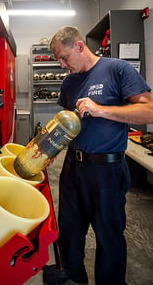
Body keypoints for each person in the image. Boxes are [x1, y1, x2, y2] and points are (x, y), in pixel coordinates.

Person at [43, 26, 153, 285]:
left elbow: (148, 112)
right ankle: (72, 278)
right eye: (58, 60)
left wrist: (102, 110)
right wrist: (48, 149)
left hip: (107, 169)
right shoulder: (69, 82)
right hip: (73, 166)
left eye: (64, 58)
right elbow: (66, 124)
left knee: (108, 235)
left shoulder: (117, 69)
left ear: (80, 46)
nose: (61, 65)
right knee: (69, 231)